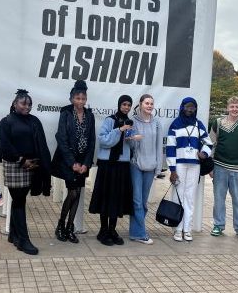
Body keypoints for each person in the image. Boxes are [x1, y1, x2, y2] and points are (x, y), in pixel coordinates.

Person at [0, 89, 52, 255]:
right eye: (23, 103)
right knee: (19, 200)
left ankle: (14, 235)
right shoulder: (6, 122)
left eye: (29, 104)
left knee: (19, 200)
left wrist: (41, 164)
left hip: (32, 166)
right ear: (15, 104)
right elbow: (4, 145)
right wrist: (21, 160)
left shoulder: (34, 120)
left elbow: (41, 143)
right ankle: (23, 240)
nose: (27, 107)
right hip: (15, 165)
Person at [52, 80, 95, 244]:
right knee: (73, 192)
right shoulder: (65, 114)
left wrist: (86, 163)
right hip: (68, 161)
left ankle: (70, 228)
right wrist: (72, 163)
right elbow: (61, 139)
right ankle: (60, 225)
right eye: (77, 98)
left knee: (77, 194)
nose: (81, 101)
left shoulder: (90, 115)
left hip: (82, 162)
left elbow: (92, 141)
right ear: (71, 99)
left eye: (83, 98)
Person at [89, 95, 134, 246]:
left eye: (129, 105)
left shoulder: (130, 123)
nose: (126, 107)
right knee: (106, 197)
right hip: (108, 164)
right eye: (124, 104)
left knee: (117, 197)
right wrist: (119, 130)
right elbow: (103, 140)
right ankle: (103, 230)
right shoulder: (110, 120)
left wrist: (132, 139)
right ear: (119, 104)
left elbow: (130, 147)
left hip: (122, 164)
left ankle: (112, 230)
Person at [166, 97, 213, 242]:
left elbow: (209, 143)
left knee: (190, 198)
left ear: (195, 109)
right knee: (178, 197)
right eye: (187, 106)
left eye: (193, 107)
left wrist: (204, 153)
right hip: (179, 165)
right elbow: (170, 148)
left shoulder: (199, 125)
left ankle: (187, 229)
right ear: (182, 107)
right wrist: (172, 170)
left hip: (195, 165)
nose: (190, 109)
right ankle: (177, 229)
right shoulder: (175, 124)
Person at [209, 96, 238, 240]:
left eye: (237, 107)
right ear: (227, 108)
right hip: (219, 167)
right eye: (232, 106)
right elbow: (211, 145)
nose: (234, 109)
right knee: (218, 199)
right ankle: (218, 225)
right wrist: (210, 166)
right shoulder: (217, 123)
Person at [129, 94, 163, 244]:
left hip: (150, 166)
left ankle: (135, 232)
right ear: (140, 104)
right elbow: (129, 144)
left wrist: (158, 169)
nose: (149, 106)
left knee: (143, 202)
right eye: (146, 103)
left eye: (151, 103)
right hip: (136, 165)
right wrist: (132, 139)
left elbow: (158, 147)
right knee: (136, 200)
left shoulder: (156, 123)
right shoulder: (133, 121)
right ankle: (141, 233)